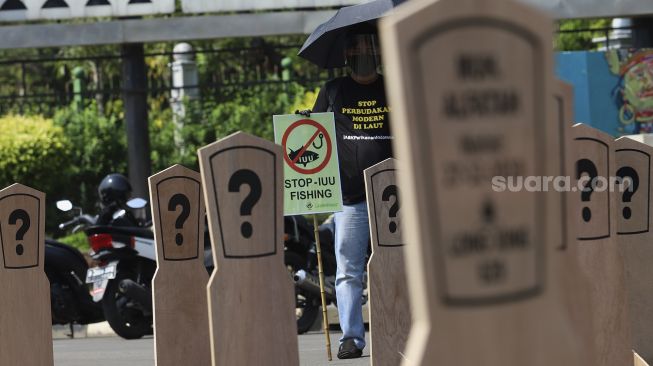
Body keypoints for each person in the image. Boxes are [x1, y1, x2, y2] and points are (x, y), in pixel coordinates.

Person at [300, 23, 393, 359]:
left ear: (380, 51)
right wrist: (302, 124)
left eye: (369, 46)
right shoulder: (333, 91)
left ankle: (405, 327)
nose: (362, 53)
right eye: (356, 47)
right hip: (349, 199)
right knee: (348, 271)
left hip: (393, 196)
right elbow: (312, 134)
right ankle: (351, 337)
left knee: (400, 263)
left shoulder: (395, 87)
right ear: (346, 54)